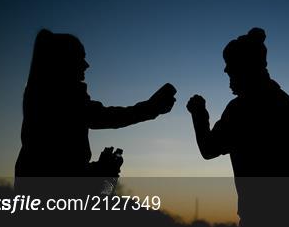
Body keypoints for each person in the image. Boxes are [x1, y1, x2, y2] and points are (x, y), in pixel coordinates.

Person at [15, 29, 176, 193]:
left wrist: (101, 170)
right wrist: (151, 108)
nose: (87, 65)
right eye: (80, 58)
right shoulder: (62, 98)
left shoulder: (41, 96)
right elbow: (105, 117)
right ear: (63, 61)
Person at [187, 28, 289, 227]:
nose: (225, 71)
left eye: (230, 67)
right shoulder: (285, 102)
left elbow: (209, 149)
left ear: (245, 68)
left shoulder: (242, 108)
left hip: (258, 215)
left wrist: (198, 114)